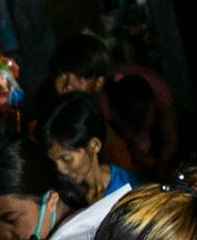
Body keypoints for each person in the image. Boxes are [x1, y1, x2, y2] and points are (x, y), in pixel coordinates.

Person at [49, 33, 179, 176]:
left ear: (98, 83)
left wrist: (159, 167)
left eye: (80, 77)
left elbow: (170, 137)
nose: (68, 86)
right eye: (62, 75)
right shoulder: (45, 124)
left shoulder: (159, 88)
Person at [42, 93, 140, 207]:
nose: (60, 169)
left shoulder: (130, 189)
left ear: (94, 146)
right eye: (53, 161)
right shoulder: (59, 193)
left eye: (66, 158)